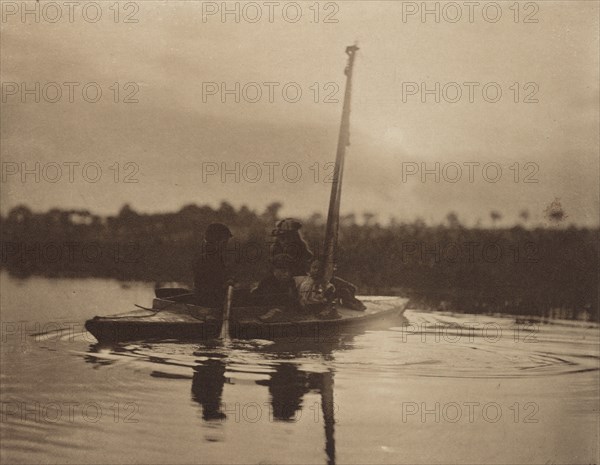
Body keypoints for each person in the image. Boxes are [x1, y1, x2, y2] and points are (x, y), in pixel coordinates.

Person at [192, 223, 233, 308]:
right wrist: (226, 284)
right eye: (225, 242)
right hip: (207, 305)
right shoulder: (206, 260)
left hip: (212, 302)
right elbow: (207, 290)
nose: (226, 245)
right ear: (217, 242)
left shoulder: (216, 258)